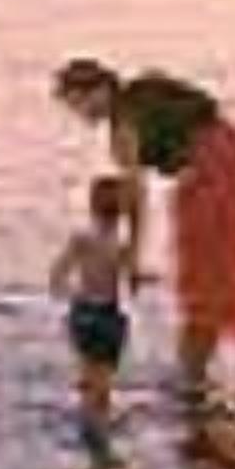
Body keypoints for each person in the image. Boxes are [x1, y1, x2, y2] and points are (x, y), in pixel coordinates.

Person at [51, 57, 235, 388]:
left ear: (99, 90)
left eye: (78, 103)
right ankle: (197, 370)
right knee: (220, 272)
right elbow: (202, 113)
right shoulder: (146, 88)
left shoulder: (122, 129)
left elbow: (136, 195)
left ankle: (192, 377)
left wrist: (133, 254)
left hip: (211, 173)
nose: (80, 114)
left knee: (202, 282)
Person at [47, 172, 138, 429]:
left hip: (83, 310)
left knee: (88, 373)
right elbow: (133, 283)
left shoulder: (83, 239)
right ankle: (99, 422)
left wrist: (69, 294)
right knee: (104, 379)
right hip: (108, 313)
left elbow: (57, 276)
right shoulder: (121, 245)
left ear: (91, 205)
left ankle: (89, 417)